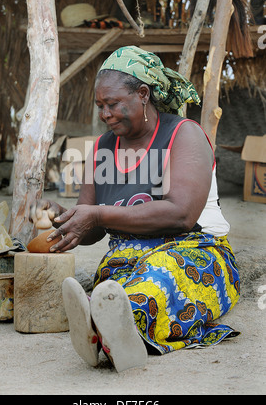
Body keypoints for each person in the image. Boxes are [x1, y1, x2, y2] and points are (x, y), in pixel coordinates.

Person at [30, 46, 240, 372]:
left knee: (158, 278)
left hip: (195, 252)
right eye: (100, 106)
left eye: (113, 103)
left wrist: (98, 213)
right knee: (115, 288)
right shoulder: (103, 147)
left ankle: (112, 331)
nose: (105, 114)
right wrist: (65, 216)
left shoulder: (183, 135)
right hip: (126, 258)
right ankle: (106, 328)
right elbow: (91, 229)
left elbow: (181, 214)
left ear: (143, 94)